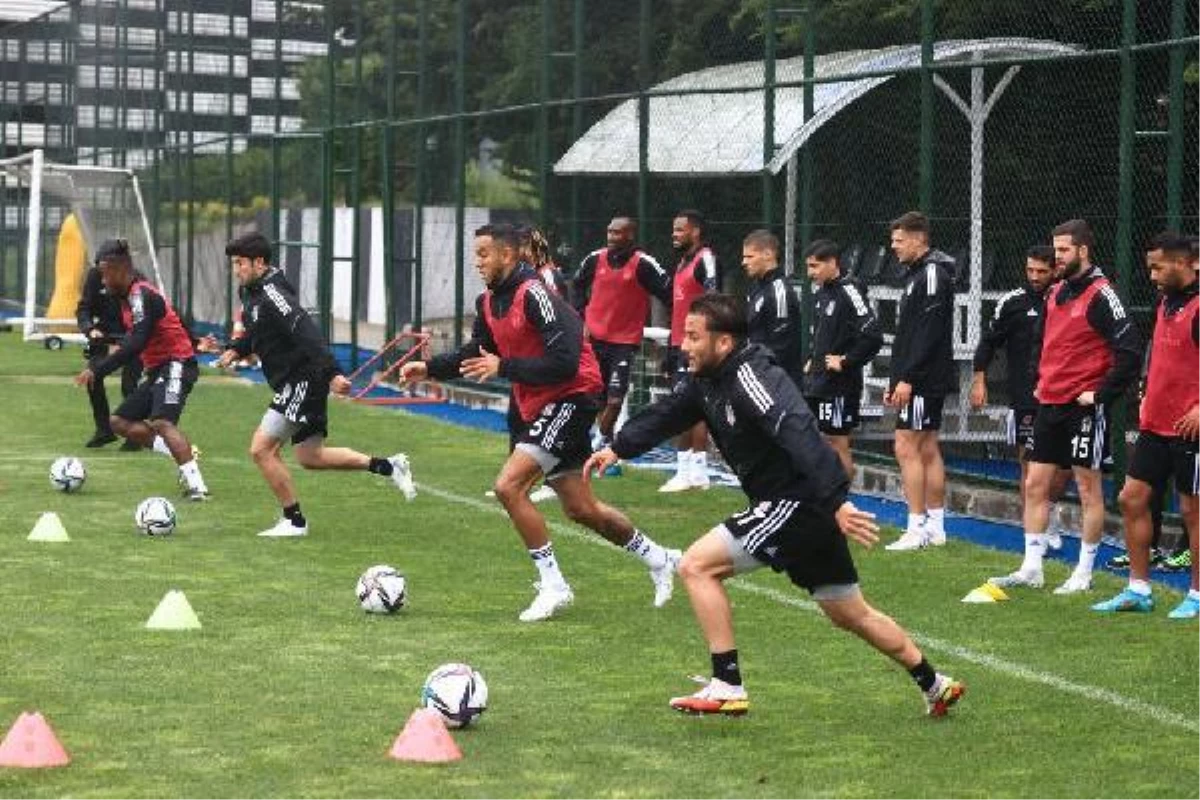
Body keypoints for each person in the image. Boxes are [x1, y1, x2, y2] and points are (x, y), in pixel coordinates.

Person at [585, 294, 965, 717]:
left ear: (724, 342)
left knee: (695, 566)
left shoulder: (752, 377)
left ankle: (727, 684)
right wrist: (619, 448)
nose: (684, 345)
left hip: (797, 502)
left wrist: (835, 499)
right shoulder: (706, 379)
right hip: (800, 507)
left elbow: (799, 428)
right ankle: (934, 683)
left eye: (693, 337)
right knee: (849, 612)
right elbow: (670, 411)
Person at [400, 223, 680, 621]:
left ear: (508, 255)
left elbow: (565, 361)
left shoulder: (535, 294)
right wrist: (427, 368)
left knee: (508, 487)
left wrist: (504, 366)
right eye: (475, 253)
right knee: (582, 509)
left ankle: (554, 585)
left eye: (483, 253)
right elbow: (474, 352)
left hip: (573, 396)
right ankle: (659, 558)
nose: (476, 261)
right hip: (541, 402)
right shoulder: (488, 302)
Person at [214, 232, 416, 537]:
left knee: (261, 449)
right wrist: (237, 348)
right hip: (297, 380)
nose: (236, 270)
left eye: (240, 263)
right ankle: (389, 466)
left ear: (259, 262)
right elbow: (259, 331)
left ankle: (294, 521)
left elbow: (304, 329)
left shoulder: (273, 293)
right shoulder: (252, 290)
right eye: (234, 263)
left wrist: (333, 372)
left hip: (301, 379)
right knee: (311, 456)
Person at [990, 219, 1142, 594]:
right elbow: (1041, 343)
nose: (1056, 256)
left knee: (1088, 489)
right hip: (1051, 404)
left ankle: (1084, 573)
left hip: (1083, 408)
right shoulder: (1055, 292)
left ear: (1083, 251)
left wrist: (1101, 395)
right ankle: (1031, 567)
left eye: (1063, 251)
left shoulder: (1103, 295)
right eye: (1054, 249)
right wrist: (1038, 382)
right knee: (1036, 484)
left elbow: (1130, 352)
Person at [1092, 232, 1199, 617]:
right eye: (1149, 266)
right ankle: (1139, 590)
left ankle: (1197, 595)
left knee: (1193, 511)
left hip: (1191, 429)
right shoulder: (1165, 302)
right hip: (1157, 424)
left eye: (1159, 266)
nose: (1151, 274)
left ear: (1188, 263)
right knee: (1131, 498)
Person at [73, 238, 209, 500]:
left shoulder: (141, 295)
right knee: (119, 423)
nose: (102, 282)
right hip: (159, 368)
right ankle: (180, 453)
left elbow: (137, 342)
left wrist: (98, 369)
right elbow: (147, 333)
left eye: (104, 274)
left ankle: (197, 487)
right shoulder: (130, 298)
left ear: (118, 269)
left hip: (176, 363)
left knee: (161, 422)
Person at [969, 245, 1070, 547]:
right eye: (1030, 271)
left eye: (1042, 271)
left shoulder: (1068, 300)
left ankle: (1046, 512)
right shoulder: (1012, 302)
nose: (1035, 277)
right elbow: (988, 343)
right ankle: (1034, 535)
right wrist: (979, 381)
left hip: (1062, 395)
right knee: (1029, 464)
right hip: (1025, 396)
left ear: (1055, 270)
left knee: (1063, 469)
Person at [883, 212, 958, 550]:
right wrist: (895, 377)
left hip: (924, 379)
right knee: (926, 447)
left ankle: (916, 527)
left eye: (899, 241)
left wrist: (909, 378)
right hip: (920, 377)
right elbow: (909, 333)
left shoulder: (931, 274)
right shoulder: (918, 275)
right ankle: (936, 528)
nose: (894, 247)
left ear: (918, 238)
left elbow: (927, 333)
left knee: (906, 445)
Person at [572, 215, 672, 452]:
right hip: (594, 340)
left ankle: (602, 440)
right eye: (609, 232)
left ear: (630, 235)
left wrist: (674, 323)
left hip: (623, 343)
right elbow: (576, 285)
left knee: (615, 400)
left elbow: (669, 292)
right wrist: (581, 318)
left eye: (618, 233)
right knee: (595, 396)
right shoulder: (595, 259)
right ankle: (599, 442)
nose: (612, 237)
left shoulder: (644, 264)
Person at [801, 238, 883, 479]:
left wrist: (845, 361)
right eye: (808, 266)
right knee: (817, 439)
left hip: (839, 385)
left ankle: (841, 501)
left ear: (833, 263)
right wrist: (812, 359)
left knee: (837, 441)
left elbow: (872, 334)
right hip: (818, 380)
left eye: (815, 266)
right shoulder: (822, 293)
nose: (810, 273)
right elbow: (822, 334)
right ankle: (824, 496)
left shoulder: (850, 290)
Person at [660, 209, 719, 493]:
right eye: (674, 229)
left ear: (695, 232)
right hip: (677, 345)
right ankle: (694, 472)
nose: (675, 234)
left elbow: (713, 296)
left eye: (680, 230)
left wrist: (701, 340)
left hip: (693, 346)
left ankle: (690, 471)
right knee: (687, 406)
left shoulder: (704, 258)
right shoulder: (682, 262)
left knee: (687, 406)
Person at [76, 256, 142, 448]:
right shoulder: (94, 277)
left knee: (129, 385)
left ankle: (134, 434)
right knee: (92, 377)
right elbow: (83, 309)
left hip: (132, 337)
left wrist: (127, 343)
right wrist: (90, 329)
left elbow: (142, 318)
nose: (104, 276)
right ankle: (104, 430)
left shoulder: (136, 280)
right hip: (103, 337)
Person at [742, 229, 804, 387]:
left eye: (749, 256)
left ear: (768, 254)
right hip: (757, 376)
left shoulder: (779, 291)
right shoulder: (756, 288)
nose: (744, 262)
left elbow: (781, 347)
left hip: (777, 384)